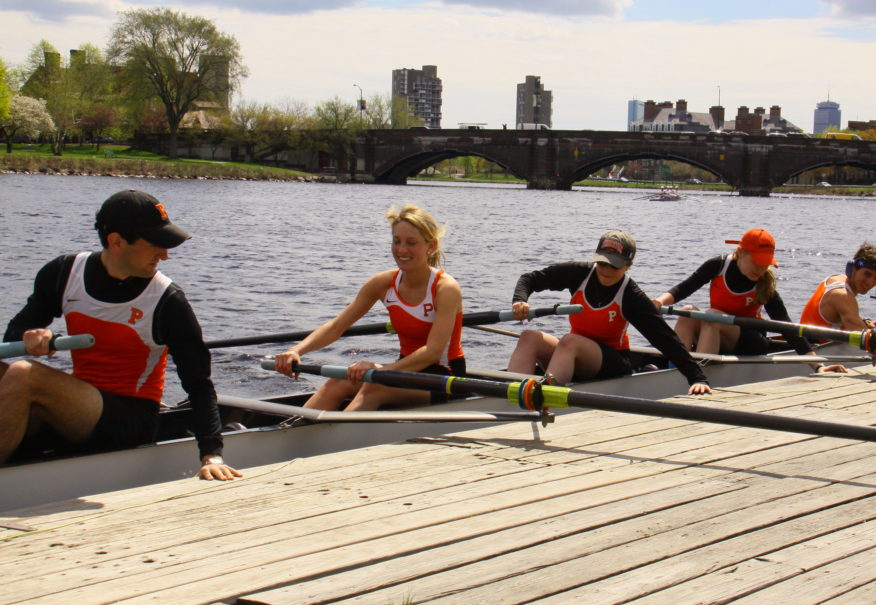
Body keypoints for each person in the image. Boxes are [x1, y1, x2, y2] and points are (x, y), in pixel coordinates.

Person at [0, 190, 240, 480]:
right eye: (157, 244)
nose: (165, 255)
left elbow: (199, 385)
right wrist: (30, 336)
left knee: (24, 374)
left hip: (131, 417)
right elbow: (14, 334)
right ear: (116, 242)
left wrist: (211, 454)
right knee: (6, 370)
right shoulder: (63, 273)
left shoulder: (167, 301)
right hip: (81, 404)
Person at [273, 204, 465, 410]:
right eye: (396, 241)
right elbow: (337, 326)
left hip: (445, 376)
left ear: (431, 246)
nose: (401, 250)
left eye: (411, 243)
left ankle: (332, 438)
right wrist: (296, 350)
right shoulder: (382, 283)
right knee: (338, 381)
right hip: (405, 368)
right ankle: (294, 432)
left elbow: (432, 353)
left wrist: (380, 371)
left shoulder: (446, 288)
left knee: (373, 387)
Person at [506, 231, 711, 395]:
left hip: (614, 362)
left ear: (628, 265)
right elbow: (529, 279)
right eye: (603, 263)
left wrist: (697, 378)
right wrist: (520, 301)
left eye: (615, 265)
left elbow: (665, 339)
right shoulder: (578, 273)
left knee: (570, 341)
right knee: (529, 336)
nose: (606, 270)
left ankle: (545, 399)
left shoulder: (632, 295)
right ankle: (512, 394)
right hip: (576, 351)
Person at [651, 228, 845, 374]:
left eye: (765, 264)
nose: (761, 270)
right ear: (741, 253)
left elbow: (787, 326)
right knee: (687, 311)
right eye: (757, 263)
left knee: (712, 317)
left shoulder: (764, 283)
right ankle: (675, 370)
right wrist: (659, 302)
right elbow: (684, 288)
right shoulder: (718, 265)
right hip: (718, 330)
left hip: (752, 340)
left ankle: (699, 374)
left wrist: (818, 366)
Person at [800, 242, 876, 360]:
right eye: (867, 274)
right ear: (853, 268)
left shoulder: (836, 279)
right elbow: (869, 344)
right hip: (813, 356)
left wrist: (863, 321)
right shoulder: (842, 296)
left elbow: (844, 313)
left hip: (806, 343)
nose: (870, 283)